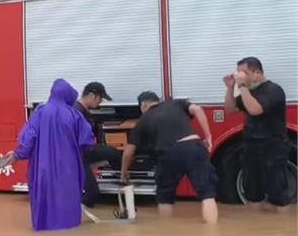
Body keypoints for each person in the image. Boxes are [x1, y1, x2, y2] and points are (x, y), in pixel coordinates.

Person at [9, 79, 95, 231]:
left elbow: (28, 139)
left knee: (44, 200)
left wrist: (17, 155)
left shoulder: (39, 113)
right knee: (67, 203)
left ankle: (45, 231)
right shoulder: (75, 115)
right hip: (69, 169)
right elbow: (87, 140)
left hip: (42, 168)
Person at [120, 92, 217, 223]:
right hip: (193, 146)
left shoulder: (142, 121)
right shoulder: (175, 103)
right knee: (207, 194)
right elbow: (197, 109)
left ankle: (166, 231)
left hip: (167, 154)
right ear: (158, 101)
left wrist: (124, 172)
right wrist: (208, 135)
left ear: (143, 105)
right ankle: (212, 233)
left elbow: (129, 151)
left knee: (164, 195)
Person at [224, 57, 291, 213]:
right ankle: (255, 229)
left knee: (278, 192)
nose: (240, 76)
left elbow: (255, 110)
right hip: (251, 146)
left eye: (244, 73)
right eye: (238, 73)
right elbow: (230, 109)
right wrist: (230, 88)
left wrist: (242, 86)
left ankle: (283, 232)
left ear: (257, 72)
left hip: (273, 146)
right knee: (253, 192)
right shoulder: (249, 91)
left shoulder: (273, 90)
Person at [75, 82, 123, 208]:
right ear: (92, 95)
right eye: (100, 99)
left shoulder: (83, 110)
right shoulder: (76, 111)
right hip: (77, 156)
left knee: (112, 152)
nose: (100, 103)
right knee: (92, 194)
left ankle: (121, 178)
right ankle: (75, 212)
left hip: (85, 151)